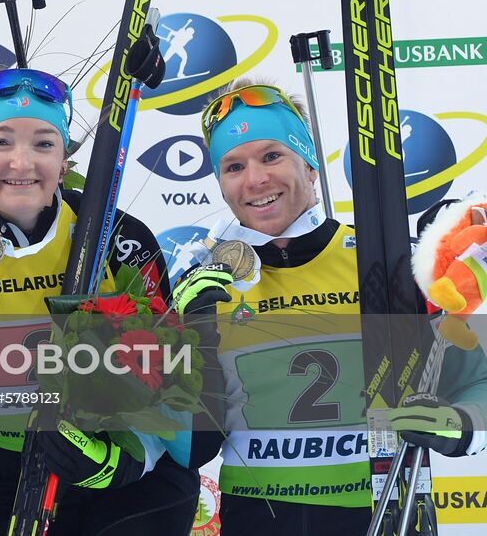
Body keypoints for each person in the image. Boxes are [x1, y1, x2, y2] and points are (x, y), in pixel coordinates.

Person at [0, 67, 202, 535]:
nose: (23, 163)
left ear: (65, 160)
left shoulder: (116, 236)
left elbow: (178, 386)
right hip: (15, 481)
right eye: (2, 141)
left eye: (44, 143)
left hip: (127, 481)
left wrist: (130, 458)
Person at [182, 79, 487, 535]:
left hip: (381, 510)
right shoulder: (204, 286)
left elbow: (477, 380)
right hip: (258, 520)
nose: (255, 179)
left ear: (309, 167)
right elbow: (188, 444)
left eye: (272, 156)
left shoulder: (385, 260)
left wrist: (463, 426)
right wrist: (188, 338)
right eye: (233, 166)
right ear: (222, 186)